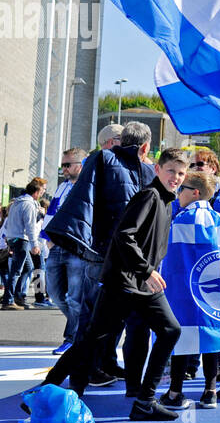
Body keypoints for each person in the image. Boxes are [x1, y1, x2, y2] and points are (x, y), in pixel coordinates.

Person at [40, 148, 189, 417]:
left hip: (137, 283)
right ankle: (45, 391)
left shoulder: (165, 201)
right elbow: (124, 235)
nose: (175, 178)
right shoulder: (150, 196)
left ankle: (144, 401)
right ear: (157, 169)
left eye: (180, 173)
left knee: (164, 331)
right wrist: (146, 270)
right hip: (126, 281)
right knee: (93, 340)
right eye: (170, 171)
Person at [45, 122, 153, 384]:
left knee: (95, 316)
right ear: (146, 146)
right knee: (115, 318)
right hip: (126, 256)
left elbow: (85, 202)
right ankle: (97, 372)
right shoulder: (144, 170)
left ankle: (89, 370)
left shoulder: (104, 161)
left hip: (99, 250)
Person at [161, 168, 220, 410]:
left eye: (182, 189)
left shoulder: (182, 219)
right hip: (213, 291)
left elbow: (171, 261)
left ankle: (174, 392)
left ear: (195, 192)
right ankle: (210, 391)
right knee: (212, 338)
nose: (178, 193)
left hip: (184, 291)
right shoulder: (218, 220)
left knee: (183, 340)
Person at [44, 149, 87, 354]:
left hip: (77, 247)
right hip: (56, 246)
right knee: (54, 292)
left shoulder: (88, 186)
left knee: (75, 296)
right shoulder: (62, 187)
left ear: (80, 165)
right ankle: (80, 329)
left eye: (67, 165)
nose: (64, 169)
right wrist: (47, 239)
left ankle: (73, 338)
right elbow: (50, 213)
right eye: (62, 165)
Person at [0, 178, 46, 310]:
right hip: (21, 240)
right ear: (36, 191)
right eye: (42, 190)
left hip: (13, 238)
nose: (43, 193)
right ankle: (8, 300)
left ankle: (17, 297)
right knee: (16, 271)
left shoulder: (16, 203)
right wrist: (34, 244)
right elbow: (30, 227)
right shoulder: (29, 204)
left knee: (27, 268)